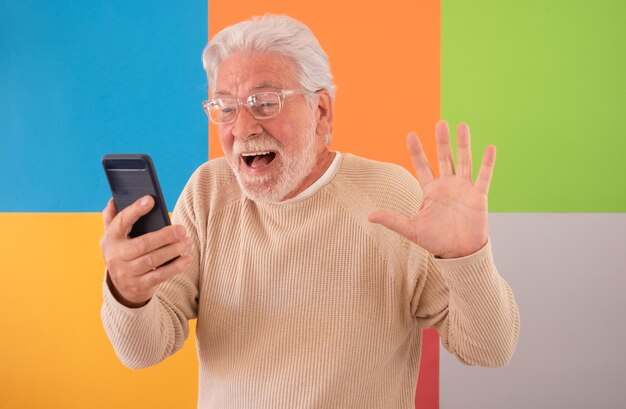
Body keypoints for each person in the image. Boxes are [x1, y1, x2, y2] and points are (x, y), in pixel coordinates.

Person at [100, 14, 520, 409]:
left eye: (264, 102)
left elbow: (490, 348)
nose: (242, 128)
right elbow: (142, 352)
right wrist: (129, 293)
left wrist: (468, 256)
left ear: (321, 111)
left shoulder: (391, 195)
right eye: (225, 107)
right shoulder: (209, 191)